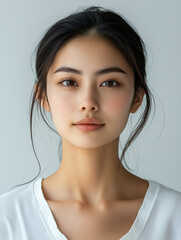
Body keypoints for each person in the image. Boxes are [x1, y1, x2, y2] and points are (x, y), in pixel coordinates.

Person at [0, 5, 181, 240]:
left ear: (137, 97)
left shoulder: (175, 218)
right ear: (42, 95)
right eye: (69, 82)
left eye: (109, 83)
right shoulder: (7, 219)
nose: (88, 102)